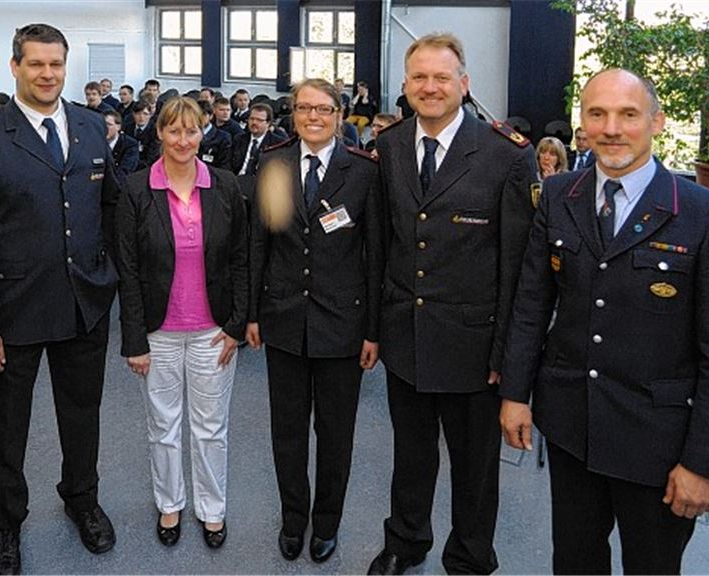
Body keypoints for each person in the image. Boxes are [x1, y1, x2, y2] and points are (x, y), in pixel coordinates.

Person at [500, 68, 709, 575]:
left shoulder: (707, 216)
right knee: (573, 562)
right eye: (597, 114)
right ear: (584, 125)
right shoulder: (559, 197)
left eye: (628, 114)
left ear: (657, 121)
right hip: (572, 426)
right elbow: (532, 302)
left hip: (658, 443)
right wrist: (515, 394)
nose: (611, 128)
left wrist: (705, 464)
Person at [368, 33, 537, 576]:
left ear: (464, 85)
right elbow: (387, 244)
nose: (430, 87)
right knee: (410, 457)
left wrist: (508, 359)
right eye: (419, 77)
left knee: (475, 468)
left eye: (442, 77)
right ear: (405, 86)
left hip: (474, 346)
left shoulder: (506, 155)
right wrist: (377, 327)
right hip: (407, 336)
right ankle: (405, 542)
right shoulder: (391, 146)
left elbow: (517, 268)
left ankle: (469, 557)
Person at [0, 23, 120, 576]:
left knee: (83, 415)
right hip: (13, 310)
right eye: (36, 64)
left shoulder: (94, 126)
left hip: (84, 302)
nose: (47, 74)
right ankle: (4, 522)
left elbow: (110, 205)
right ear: (15, 67)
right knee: (4, 428)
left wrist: (112, 278)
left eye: (56, 64)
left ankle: (82, 499)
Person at [247, 78, 380, 564]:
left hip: (343, 325)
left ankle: (327, 524)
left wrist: (373, 331)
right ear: (293, 113)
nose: (313, 117)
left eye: (323, 109)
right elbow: (262, 239)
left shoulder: (363, 171)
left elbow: (376, 253)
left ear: (340, 113)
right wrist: (253, 314)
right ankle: (293, 520)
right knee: (287, 431)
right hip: (283, 318)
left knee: (335, 432)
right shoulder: (274, 162)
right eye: (304, 108)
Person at [116, 96, 248, 550]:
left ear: (203, 133)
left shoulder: (226, 186)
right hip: (159, 332)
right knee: (164, 425)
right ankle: (169, 503)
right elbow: (128, 270)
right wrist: (134, 339)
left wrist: (235, 326)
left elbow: (241, 259)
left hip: (214, 330)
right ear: (159, 133)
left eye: (192, 131)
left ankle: (213, 510)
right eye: (174, 131)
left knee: (211, 427)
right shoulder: (136, 189)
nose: (183, 140)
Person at [230, 102, 283, 177]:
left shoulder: (277, 143)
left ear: (268, 123)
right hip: (237, 180)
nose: (254, 122)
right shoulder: (239, 139)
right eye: (252, 119)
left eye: (259, 120)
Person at [196, 100, 232, 170]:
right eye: (196, 114)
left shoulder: (223, 137)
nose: (199, 118)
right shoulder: (187, 135)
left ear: (211, 116)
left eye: (203, 114)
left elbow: (224, 165)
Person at [105, 109, 139, 180]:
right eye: (103, 124)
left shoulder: (130, 144)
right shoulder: (96, 142)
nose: (105, 128)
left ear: (118, 127)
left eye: (109, 125)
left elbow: (126, 170)